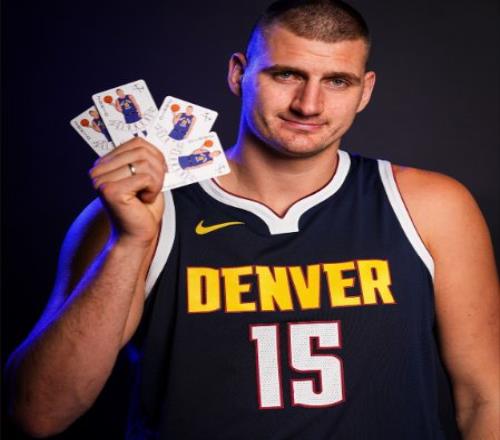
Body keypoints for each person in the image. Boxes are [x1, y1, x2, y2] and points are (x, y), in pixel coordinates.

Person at [5, 0, 499, 439]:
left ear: (365, 90)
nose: (309, 104)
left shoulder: (430, 206)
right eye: (286, 75)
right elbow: (39, 414)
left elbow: (485, 398)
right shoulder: (138, 212)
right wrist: (130, 243)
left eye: (337, 81)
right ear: (239, 73)